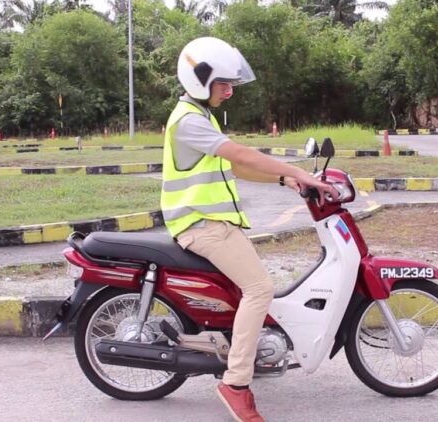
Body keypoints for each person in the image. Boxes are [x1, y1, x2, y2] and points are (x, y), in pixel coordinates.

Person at [161, 37, 337, 422]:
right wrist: (297, 171)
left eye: (231, 84)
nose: (229, 90)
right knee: (260, 288)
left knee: (252, 286)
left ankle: (244, 355)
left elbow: (233, 167)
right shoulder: (189, 121)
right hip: (202, 226)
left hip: (212, 224)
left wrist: (283, 182)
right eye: (223, 83)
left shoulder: (199, 116)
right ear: (199, 80)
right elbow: (241, 154)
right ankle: (235, 383)